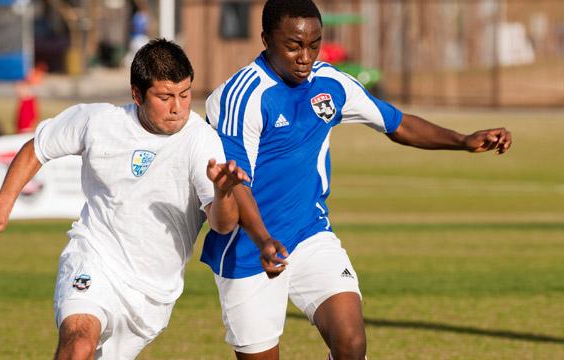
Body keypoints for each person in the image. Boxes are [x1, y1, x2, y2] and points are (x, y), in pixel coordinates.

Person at [200, 1, 513, 360]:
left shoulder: (329, 82)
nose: (305, 56)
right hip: (250, 247)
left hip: (309, 233)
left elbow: (396, 123)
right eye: (293, 46)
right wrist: (263, 238)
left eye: (314, 44)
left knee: (351, 343)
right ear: (266, 39)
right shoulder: (243, 96)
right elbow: (236, 183)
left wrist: (462, 140)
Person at [0, 39, 249, 360]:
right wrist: (2, 206)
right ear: (137, 94)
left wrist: (224, 193)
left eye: (184, 95)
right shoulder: (99, 121)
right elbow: (37, 148)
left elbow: (222, 225)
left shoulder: (201, 141)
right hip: (94, 258)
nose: (178, 108)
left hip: (152, 295)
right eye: (165, 97)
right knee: (78, 344)